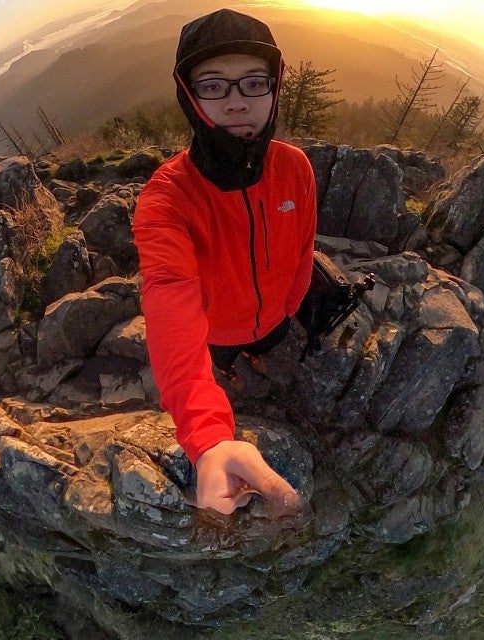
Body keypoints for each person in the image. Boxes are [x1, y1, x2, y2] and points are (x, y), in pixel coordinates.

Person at [132, 9, 316, 516]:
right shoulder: (167, 201)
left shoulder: (294, 166)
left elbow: (304, 247)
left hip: (278, 321)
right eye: (213, 86)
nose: (237, 101)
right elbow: (169, 301)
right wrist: (210, 440)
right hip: (214, 333)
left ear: (275, 89)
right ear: (188, 97)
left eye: (254, 82)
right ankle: (235, 367)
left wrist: (289, 306)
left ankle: (253, 355)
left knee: (265, 351)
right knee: (222, 362)